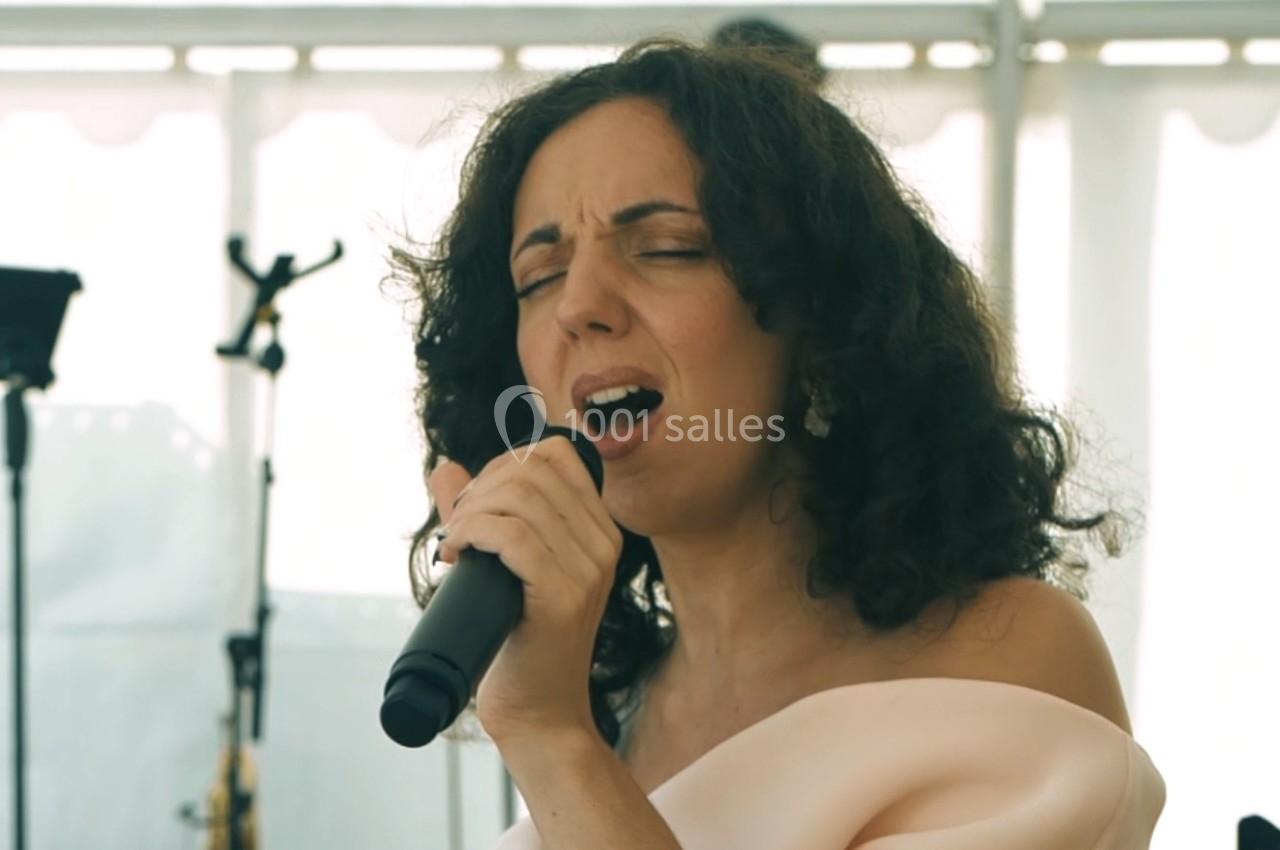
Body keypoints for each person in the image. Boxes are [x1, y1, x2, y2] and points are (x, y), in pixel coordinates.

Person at [392, 38, 1165, 849]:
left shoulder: (1014, 653)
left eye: (666, 249)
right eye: (538, 278)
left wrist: (554, 742)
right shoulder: (613, 718)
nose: (578, 305)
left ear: (822, 319)